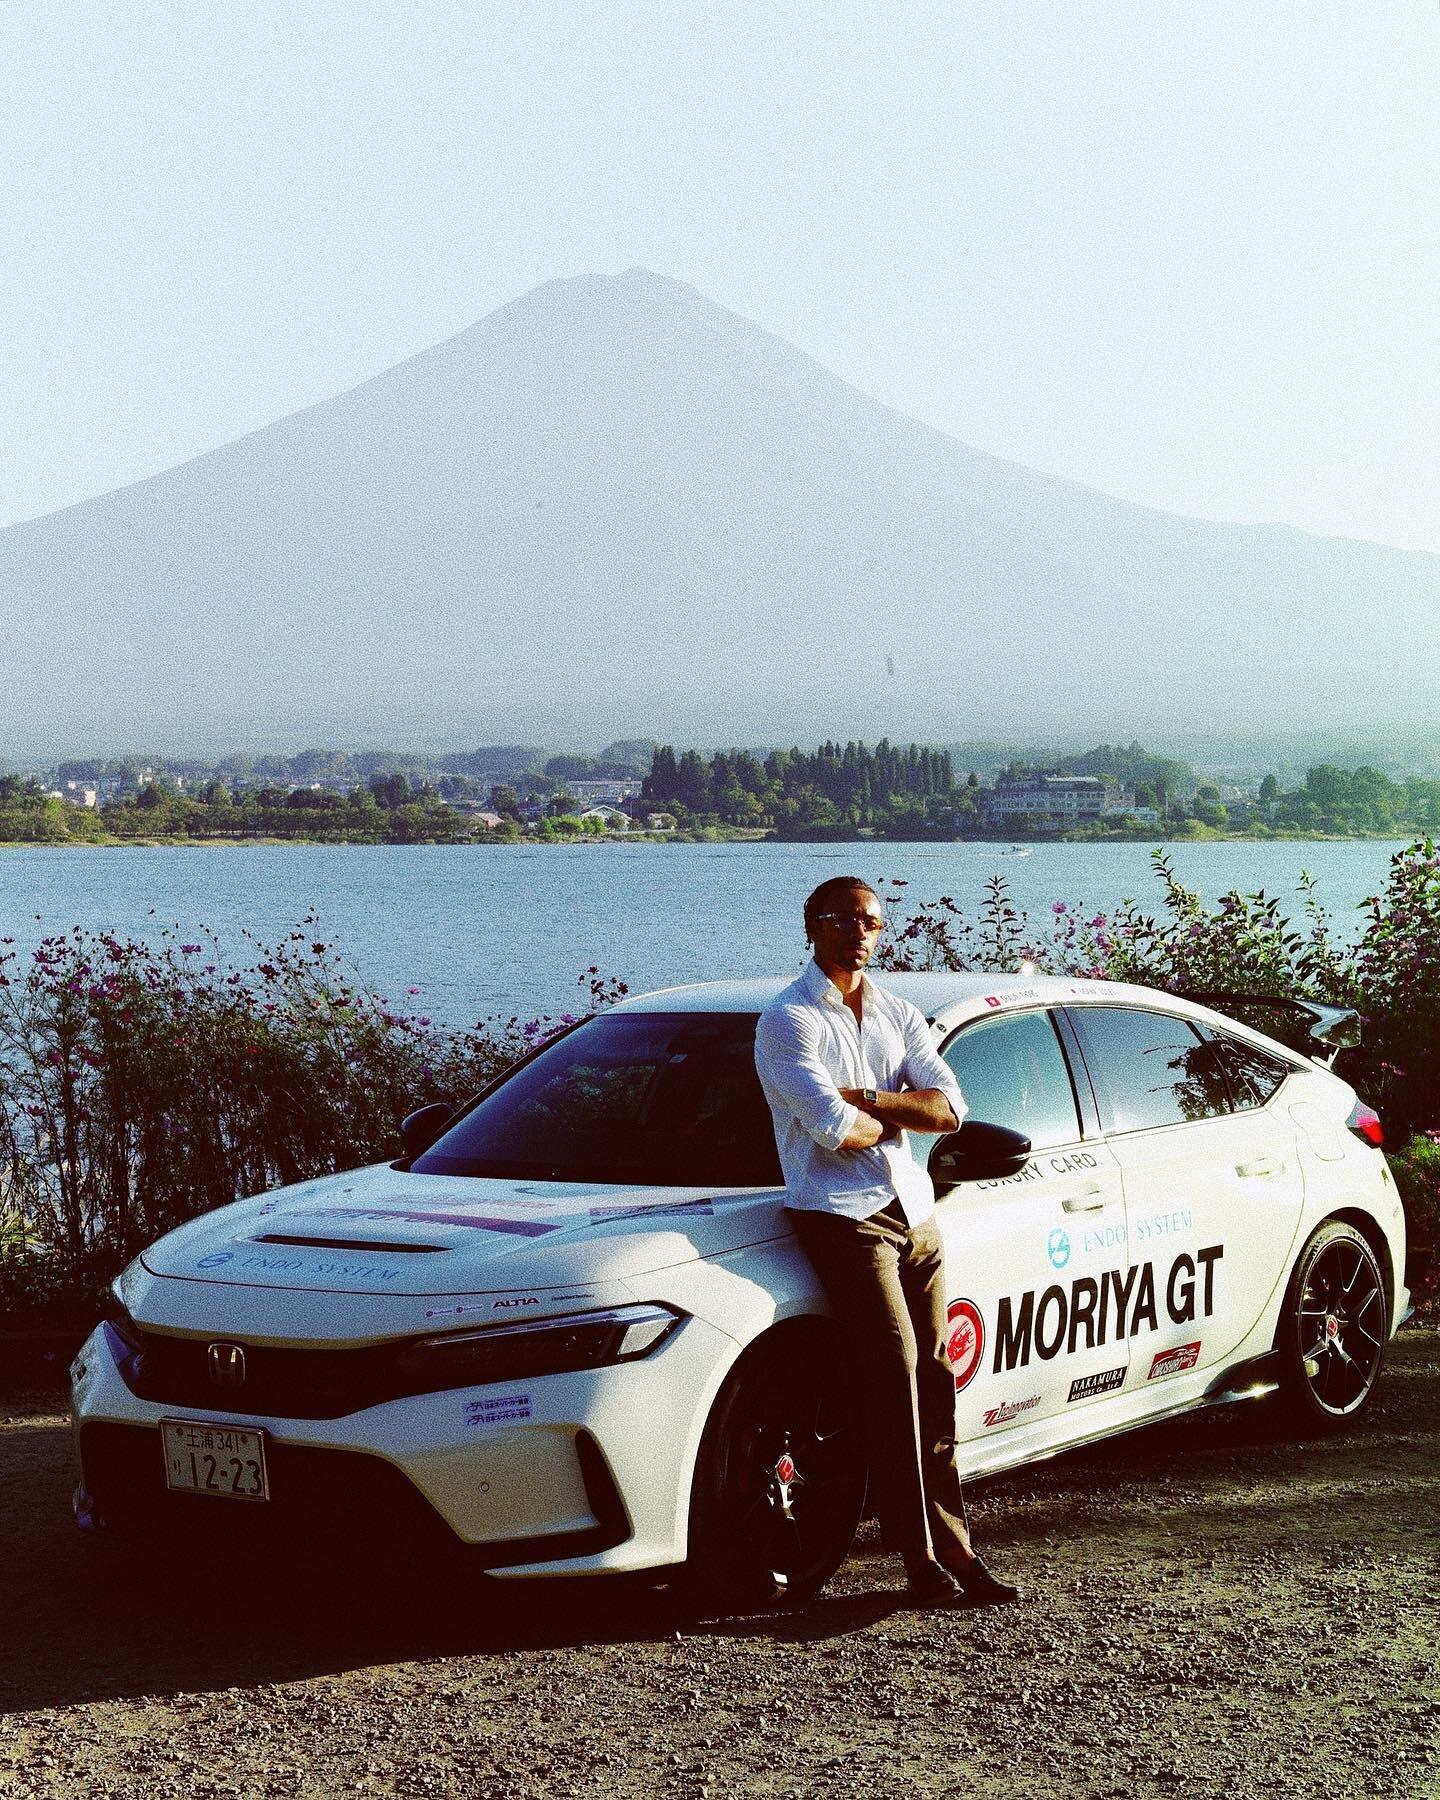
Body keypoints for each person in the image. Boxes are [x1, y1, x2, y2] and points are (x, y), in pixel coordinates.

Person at [754, 875, 1019, 1607]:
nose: (859, 933)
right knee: (895, 1376)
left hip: (914, 1213)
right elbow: (836, 1133)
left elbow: (951, 1110)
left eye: (870, 921)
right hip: (842, 1216)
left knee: (934, 1379)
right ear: (811, 926)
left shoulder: (898, 1015)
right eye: (843, 919)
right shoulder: (789, 1021)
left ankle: (956, 1549)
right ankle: (918, 1558)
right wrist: (888, 1112)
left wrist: (866, 1094)